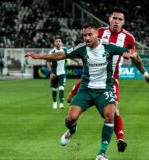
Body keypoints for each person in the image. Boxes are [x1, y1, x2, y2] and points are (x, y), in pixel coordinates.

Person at [25, 22, 137, 160]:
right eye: (84, 35)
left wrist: (129, 54)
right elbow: (61, 55)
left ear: (97, 34)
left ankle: (102, 153)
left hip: (104, 90)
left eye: (90, 34)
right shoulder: (82, 48)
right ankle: (72, 130)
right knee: (70, 118)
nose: (87, 38)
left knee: (110, 114)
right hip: (86, 89)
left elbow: (126, 51)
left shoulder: (109, 47)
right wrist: (38, 56)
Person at [67, 7, 149, 153]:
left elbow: (135, 57)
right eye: (114, 18)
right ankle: (72, 128)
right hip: (90, 77)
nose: (117, 21)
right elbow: (83, 47)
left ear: (123, 22)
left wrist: (144, 73)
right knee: (69, 101)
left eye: (120, 19)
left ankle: (119, 140)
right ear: (110, 19)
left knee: (114, 111)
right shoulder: (98, 31)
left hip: (110, 80)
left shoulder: (129, 38)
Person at [46, 35, 67, 109]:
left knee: (61, 87)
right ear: (54, 43)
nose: (58, 42)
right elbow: (48, 62)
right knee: (54, 88)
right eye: (56, 41)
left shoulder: (65, 49)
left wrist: (77, 60)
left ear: (61, 43)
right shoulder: (52, 52)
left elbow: (70, 55)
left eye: (59, 41)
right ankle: (55, 103)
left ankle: (61, 103)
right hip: (54, 73)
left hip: (62, 73)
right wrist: (51, 72)